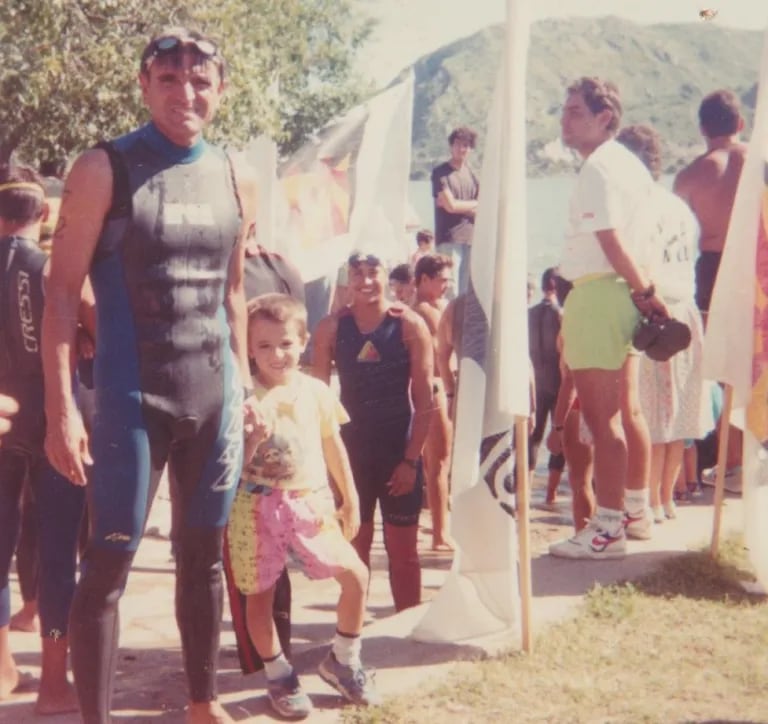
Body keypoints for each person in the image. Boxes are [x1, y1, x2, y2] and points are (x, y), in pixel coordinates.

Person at [41, 27, 257, 724]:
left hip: (213, 394)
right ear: (145, 86)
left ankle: (203, 703)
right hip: (134, 397)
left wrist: (247, 388)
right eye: (168, 79)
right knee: (108, 565)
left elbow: (233, 294)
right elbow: (59, 293)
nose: (184, 93)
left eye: (199, 82)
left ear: (220, 93)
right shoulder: (104, 167)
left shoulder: (235, 173)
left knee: (203, 558)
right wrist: (62, 411)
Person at [227, 294, 378, 717]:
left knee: (357, 577)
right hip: (253, 510)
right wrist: (250, 436)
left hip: (310, 503)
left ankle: (343, 660)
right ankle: (279, 675)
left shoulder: (316, 390)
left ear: (304, 341)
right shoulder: (241, 398)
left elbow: (333, 444)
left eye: (287, 344)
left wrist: (351, 498)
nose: (277, 355)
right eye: (264, 346)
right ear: (248, 349)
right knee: (259, 599)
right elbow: (228, 464)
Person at [549, 77, 666, 560]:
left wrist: (644, 292)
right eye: (566, 109)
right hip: (618, 294)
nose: (565, 119)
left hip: (599, 296)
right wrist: (643, 294)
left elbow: (612, 241)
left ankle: (607, 529)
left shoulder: (598, 167)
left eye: (576, 111)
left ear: (604, 118)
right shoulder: (630, 166)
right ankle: (633, 513)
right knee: (618, 415)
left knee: (602, 421)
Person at [0, 165, 90, 713]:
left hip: (4, 418)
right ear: (47, 215)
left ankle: (2, 667)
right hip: (56, 420)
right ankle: (54, 684)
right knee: (59, 551)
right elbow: (96, 330)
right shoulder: (54, 266)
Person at [312, 252, 434, 611]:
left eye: (372, 273)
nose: (365, 281)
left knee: (404, 554)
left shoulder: (409, 325)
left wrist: (411, 461)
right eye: (357, 274)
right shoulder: (331, 328)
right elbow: (318, 402)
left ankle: (407, 626)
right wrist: (329, 467)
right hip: (353, 457)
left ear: (387, 276)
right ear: (348, 279)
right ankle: (352, 634)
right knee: (354, 551)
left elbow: (425, 401)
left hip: (398, 452)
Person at [617, 124, 714, 522]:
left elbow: (635, 265)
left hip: (654, 313)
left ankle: (650, 504)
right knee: (678, 418)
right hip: (686, 312)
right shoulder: (679, 207)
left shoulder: (635, 208)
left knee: (651, 418)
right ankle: (666, 500)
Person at [674, 89, 747, 487]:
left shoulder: (689, 176)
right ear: (740, 124)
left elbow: (674, 237)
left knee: (722, 368)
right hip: (758, 264)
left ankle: (732, 462)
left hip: (714, 267)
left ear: (702, 128)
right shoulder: (758, 162)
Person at [413, 253, 454, 550]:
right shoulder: (426, 310)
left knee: (438, 463)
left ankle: (440, 527)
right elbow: (444, 352)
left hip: (438, 387)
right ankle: (440, 534)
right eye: (442, 280)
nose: (446, 286)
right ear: (424, 279)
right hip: (436, 388)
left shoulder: (436, 308)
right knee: (438, 463)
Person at [528, 267, 566, 507]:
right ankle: (551, 494)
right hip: (559, 381)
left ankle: (527, 490)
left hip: (536, 381)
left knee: (533, 437)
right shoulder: (561, 315)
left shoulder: (528, 314)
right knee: (558, 434)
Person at [431, 126, 479, 296]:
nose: (461, 149)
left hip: (470, 239)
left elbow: (482, 209)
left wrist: (457, 205)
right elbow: (451, 206)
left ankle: (461, 324)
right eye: (458, 144)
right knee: (449, 291)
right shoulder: (441, 173)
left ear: (471, 149)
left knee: (466, 295)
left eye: (466, 145)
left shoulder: (474, 174)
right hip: (449, 239)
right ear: (451, 146)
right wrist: (473, 205)